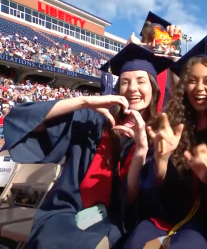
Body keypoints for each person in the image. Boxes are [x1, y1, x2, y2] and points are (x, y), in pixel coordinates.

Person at [3, 43, 174, 249]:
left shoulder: (158, 134)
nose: (132, 89)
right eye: (126, 82)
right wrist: (83, 102)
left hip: (115, 221)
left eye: (141, 81)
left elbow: (132, 201)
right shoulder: (95, 118)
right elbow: (25, 121)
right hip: (68, 212)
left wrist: (141, 149)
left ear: (153, 88)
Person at [123, 35, 207, 249]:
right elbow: (153, 190)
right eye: (192, 80)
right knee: (136, 244)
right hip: (167, 216)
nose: (199, 87)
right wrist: (161, 158)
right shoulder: (171, 124)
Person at [127, 11, 182, 111]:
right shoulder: (133, 70)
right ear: (142, 42)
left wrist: (175, 56)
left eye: (157, 40)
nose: (153, 44)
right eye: (149, 39)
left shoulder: (170, 70)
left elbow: (180, 93)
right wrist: (129, 53)